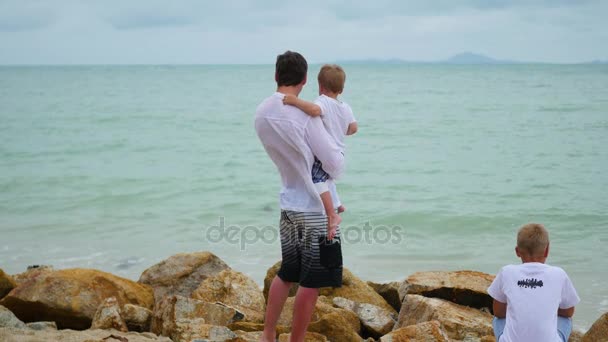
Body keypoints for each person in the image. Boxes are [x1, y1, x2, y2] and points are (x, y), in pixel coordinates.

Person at [255, 51, 345, 342]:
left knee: (287, 272)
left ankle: (268, 334)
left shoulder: (262, 113)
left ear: (276, 76)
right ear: (305, 80)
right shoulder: (305, 116)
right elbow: (334, 164)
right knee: (312, 281)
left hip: (288, 204)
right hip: (314, 209)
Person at [282, 64, 358, 233]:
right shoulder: (345, 107)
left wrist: (295, 101)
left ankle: (332, 214)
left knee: (316, 179)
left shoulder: (322, 101)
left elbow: (315, 110)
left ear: (320, 86)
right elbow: (353, 128)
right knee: (327, 179)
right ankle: (338, 204)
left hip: (327, 154)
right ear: (341, 89)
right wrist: (339, 129)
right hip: (340, 153)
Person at [488, 223, 580, 342]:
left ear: (517, 251)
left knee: (497, 320)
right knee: (566, 320)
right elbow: (568, 312)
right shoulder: (559, 274)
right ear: (547, 250)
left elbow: (499, 312)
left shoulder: (506, 272)